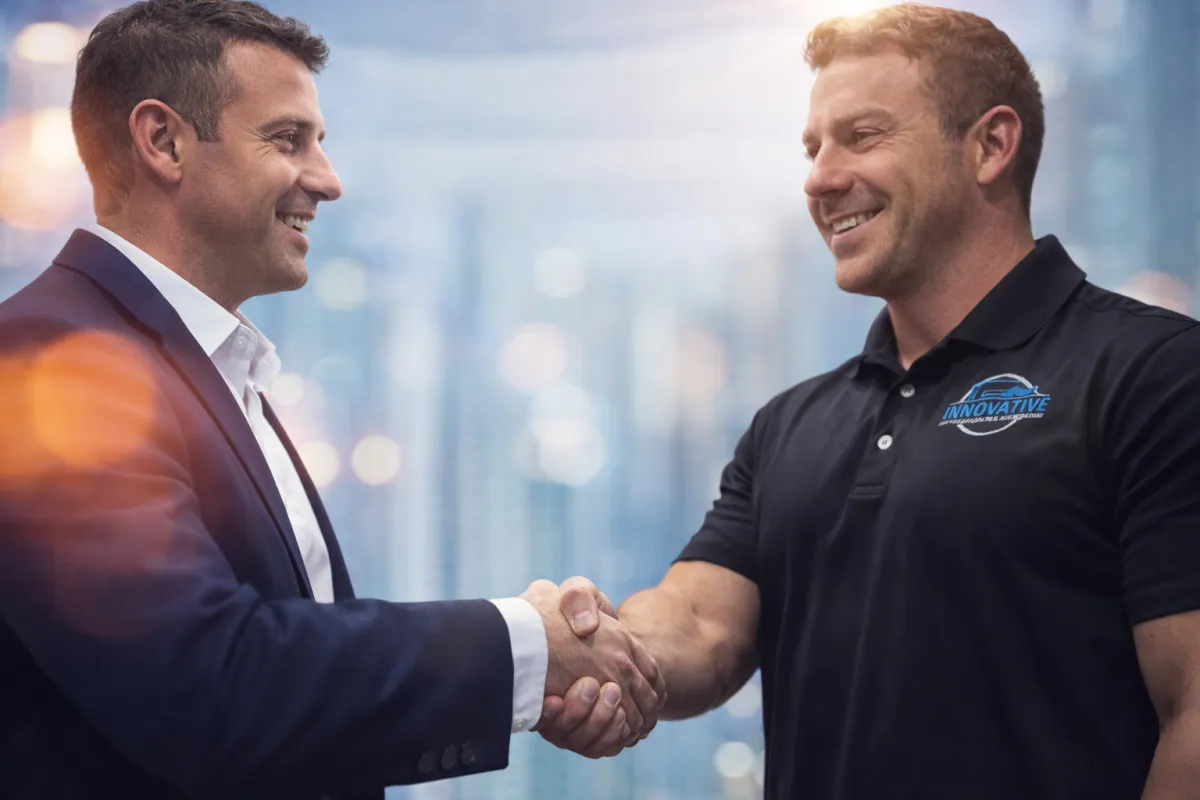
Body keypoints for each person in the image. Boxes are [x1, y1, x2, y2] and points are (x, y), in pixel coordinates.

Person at [535, 3, 1200, 799]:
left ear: (991, 145)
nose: (820, 177)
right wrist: (594, 640)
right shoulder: (790, 426)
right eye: (814, 147)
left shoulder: (1154, 375)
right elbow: (703, 624)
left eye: (864, 135)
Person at [0, 1, 664, 797]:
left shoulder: (206, 364)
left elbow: (293, 662)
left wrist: (530, 663)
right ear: (164, 142)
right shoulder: (49, 358)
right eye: (288, 139)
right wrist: (525, 646)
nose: (328, 179)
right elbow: (212, 685)